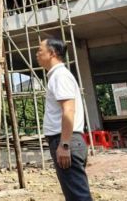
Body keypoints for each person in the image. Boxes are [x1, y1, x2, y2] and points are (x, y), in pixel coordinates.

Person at [36, 37, 92, 201]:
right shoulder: (56, 76)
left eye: (40, 50)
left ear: (52, 53)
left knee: (78, 196)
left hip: (66, 140)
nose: (37, 54)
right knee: (75, 193)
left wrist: (64, 144)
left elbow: (68, 110)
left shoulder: (60, 76)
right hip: (66, 139)